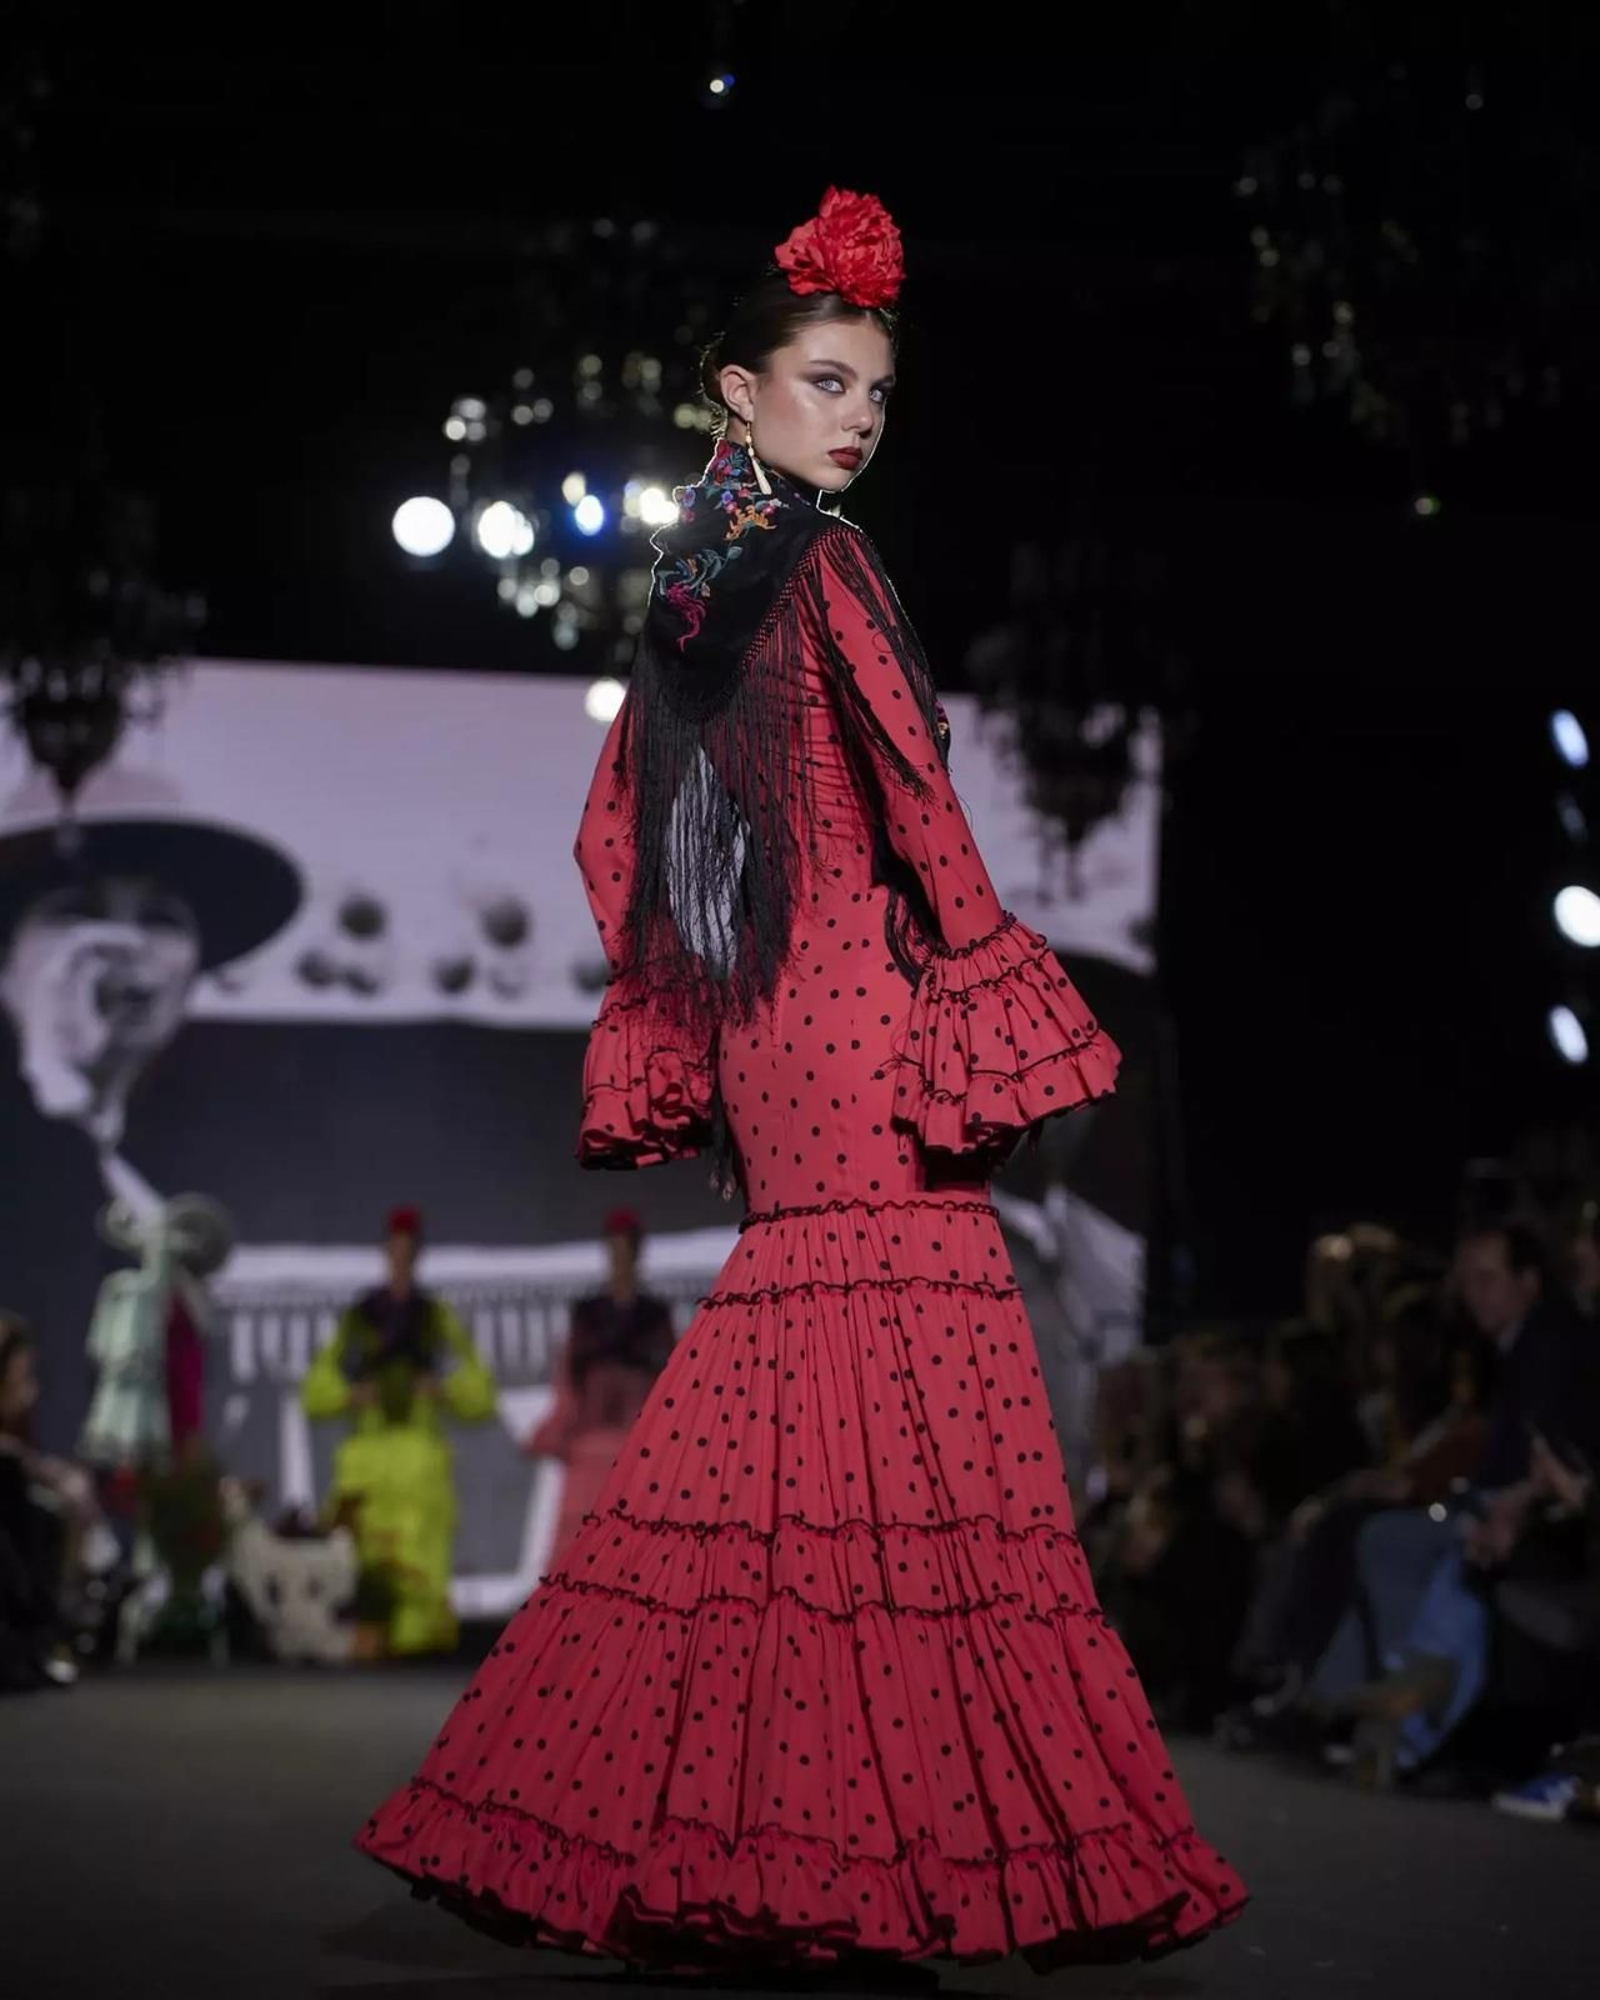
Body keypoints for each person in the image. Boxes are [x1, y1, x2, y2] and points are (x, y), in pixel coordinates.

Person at [357, 188, 1245, 1967]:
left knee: (798, 1429)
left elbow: (616, 848)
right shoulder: (823, 562)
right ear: (735, 393)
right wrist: (993, 976)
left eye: (875, 395)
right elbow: (917, 794)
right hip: (867, 1021)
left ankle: (712, 1824)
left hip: (773, 1045)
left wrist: (707, 1016)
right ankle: (904, 1840)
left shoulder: (694, 588)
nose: (853, 418)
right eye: (824, 382)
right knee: (922, 1421)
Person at [301, 1207, 496, 1656]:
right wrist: (351, 1396)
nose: (401, 1260)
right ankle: (371, 1630)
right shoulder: (360, 1315)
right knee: (366, 1544)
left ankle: (416, 1636)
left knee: (419, 1545)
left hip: (417, 1450)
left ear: (418, 1256)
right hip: (368, 1451)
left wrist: (443, 1390)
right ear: (385, 1253)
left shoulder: (435, 1316)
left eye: (409, 1252)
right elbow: (316, 1389)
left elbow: (480, 1390)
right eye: (395, 1251)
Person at [524, 1208, 675, 1565]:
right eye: (614, 1251)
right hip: (591, 1439)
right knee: (581, 1538)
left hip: (638, 1441)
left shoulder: (655, 1315)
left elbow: (669, 1380)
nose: (620, 1260)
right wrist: (560, 1427)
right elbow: (569, 1377)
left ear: (638, 1255)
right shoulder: (588, 1314)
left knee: (637, 1539)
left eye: (627, 1251)